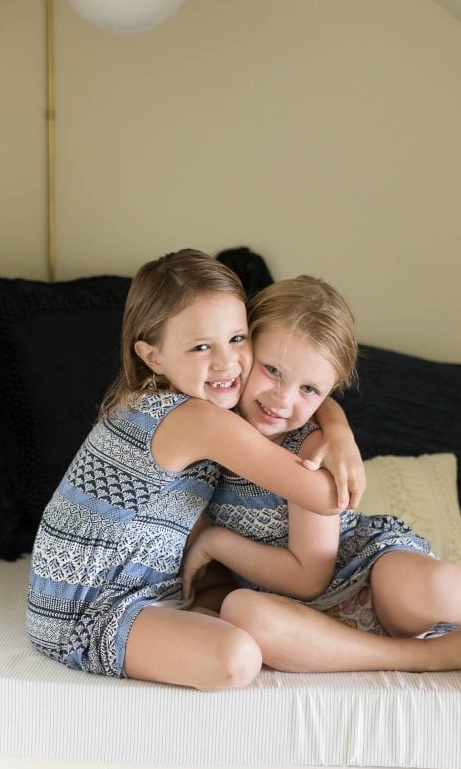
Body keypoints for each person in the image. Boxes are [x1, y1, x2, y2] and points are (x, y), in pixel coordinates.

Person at [27, 250, 363, 692]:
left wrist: (335, 423)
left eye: (238, 339)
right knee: (237, 657)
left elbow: (312, 385)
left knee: (232, 601)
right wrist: (342, 441)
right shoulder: (196, 421)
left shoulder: (175, 402)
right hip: (83, 614)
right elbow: (323, 496)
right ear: (154, 355)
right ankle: (413, 655)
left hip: (134, 593)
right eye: (202, 346)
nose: (226, 363)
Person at [181, 275, 461, 673]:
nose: (282, 399)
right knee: (242, 612)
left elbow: (310, 577)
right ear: (244, 345)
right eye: (272, 369)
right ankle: (430, 656)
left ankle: (433, 641)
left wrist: (214, 542)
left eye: (309, 390)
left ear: (328, 391)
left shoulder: (310, 448)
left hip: (366, 571)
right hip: (302, 617)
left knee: (435, 585)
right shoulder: (208, 422)